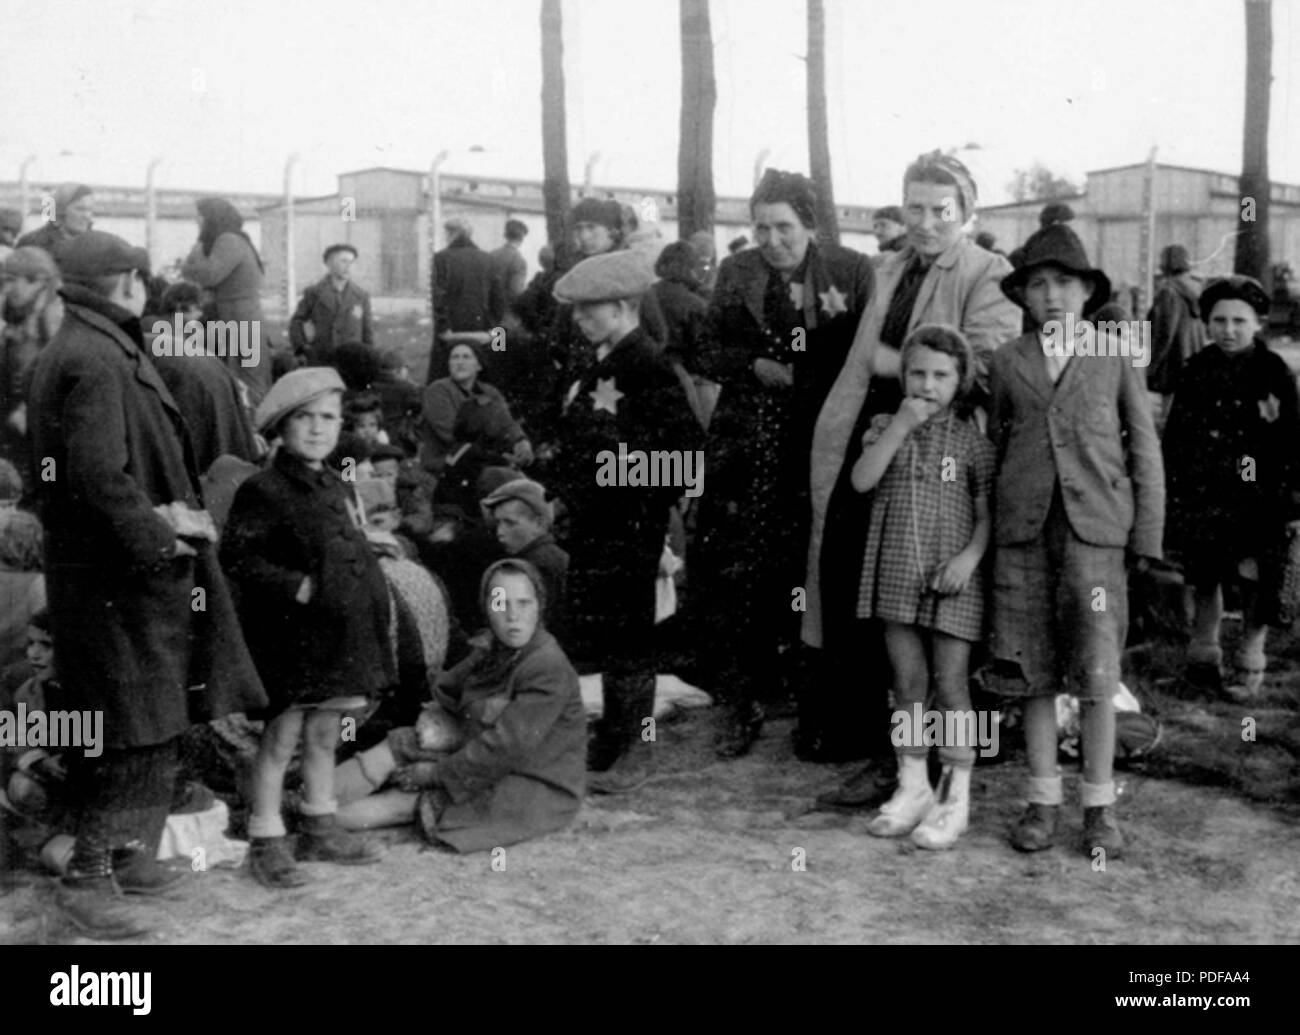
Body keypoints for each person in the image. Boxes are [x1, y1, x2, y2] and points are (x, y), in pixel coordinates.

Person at [28, 230, 266, 938]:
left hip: (109, 575)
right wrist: (164, 536)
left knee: (146, 716)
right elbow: (99, 476)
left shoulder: (82, 346)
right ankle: (89, 874)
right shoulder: (96, 356)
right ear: (126, 280)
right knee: (130, 725)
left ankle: (126, 854)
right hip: (122, 578)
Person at [809, 151, 1019, 800]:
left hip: (938, 457)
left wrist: (894, 363)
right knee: (864, 586)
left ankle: (937, 763)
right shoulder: (887, 267)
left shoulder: (989, 272)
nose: (925, 222)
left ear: (967, 214)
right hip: (871, 442)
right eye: (914, 208)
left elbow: (985, 364)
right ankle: (884, 748)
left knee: (931, 607)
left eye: (940, 211)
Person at [986, 223, 1164, 858]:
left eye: (1064, 282)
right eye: (1038, 285)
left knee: (1094, 673)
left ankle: (1098, 806)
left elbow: (1144, 446)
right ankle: (1042, 801)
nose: (1051, 295)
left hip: (1096, 538)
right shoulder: (1006, 363)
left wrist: (1145, 536)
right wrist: (991, 530)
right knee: (1032, 672)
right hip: (1023, 539)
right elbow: (997, 446)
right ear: (1024, 298)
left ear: (1088, 292)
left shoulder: (1115, 357)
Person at [690, 169, 874, 758]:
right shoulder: (736, 272)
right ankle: (742, 699)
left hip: (815, 440)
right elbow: (707, 348)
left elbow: (865, 355)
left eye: (784, 227)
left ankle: (810, 702)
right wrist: (751, 367)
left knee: (809, 568)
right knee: (743, 567)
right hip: (748, 443)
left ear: (811, 225)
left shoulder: (849, 270)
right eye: (761, 227)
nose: (772, 240)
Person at [219, 367, 394, 888]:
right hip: (291, 637)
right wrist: (293, 585)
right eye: (305, 418)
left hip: (338, 635)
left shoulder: (335, 484)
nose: (318, 429)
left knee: (324, 732)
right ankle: (267, 837)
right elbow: (238, 555)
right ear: (280, 426)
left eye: (329, 418)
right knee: (281, 737)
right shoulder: (263, 488)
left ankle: (319, 824)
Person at [549, 249, 701, 793]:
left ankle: (634, 745)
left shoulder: (649, 366)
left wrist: (609, 481)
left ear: (622, 306)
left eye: (589, 308)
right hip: (596, 525)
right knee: (610, 637)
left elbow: (685, 458)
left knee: (631, 639)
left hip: (630, 525)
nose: (578, 317)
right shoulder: (604, 361)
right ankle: (613, 735)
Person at [330, 558, 586, 852]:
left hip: (529, 779)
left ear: (540, 606)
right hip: (479, 757)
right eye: (500, 604)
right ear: (486, 609)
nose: (513, 615)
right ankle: (308, 798)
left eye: (524, 603)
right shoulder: (493, 651)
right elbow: (445, 688)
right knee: (399, 744)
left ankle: (308, 818)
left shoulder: (546, 666)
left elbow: (506, 747)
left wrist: (434, 772)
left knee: (408, 801)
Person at [851, 325, 993, 848]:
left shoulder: (975, 445)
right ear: (903, 375)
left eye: (941, 375)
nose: (928, 385)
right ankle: (914, 785)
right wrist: (899, 426)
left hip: (953, 578)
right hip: (897, 573)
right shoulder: (884, 427)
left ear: (960, 380)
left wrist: (968, 559)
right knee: (908, 683)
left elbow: (986, 516)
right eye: (918, 373)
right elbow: (862, 481)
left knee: (952, 685)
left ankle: (957, 793)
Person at [1162, 276, 1298, 702]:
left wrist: (1291, 492)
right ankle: (1204, 654)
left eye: (1239, 320)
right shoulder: (1196, 369)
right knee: (1206, 574)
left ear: (1258, 323)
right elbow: (1178, 432)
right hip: (1207, 491)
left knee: (1255, 576)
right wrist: (1176, 484)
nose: (1228, 329)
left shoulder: (1272, 371)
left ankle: (1250, 658)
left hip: (1259, 491)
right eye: (1219, 320)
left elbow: (1291, 434)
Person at [145, 282, 260, 473]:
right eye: (197, 308)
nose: (200, 314)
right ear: (181, 305)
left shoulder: (188, 331)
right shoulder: (158, 328)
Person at [419, 341, 533, 513]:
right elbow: (453, 435)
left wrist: (520, 442)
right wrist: (501, 456)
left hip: (483, 459)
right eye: (454, 357)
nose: (460, 362)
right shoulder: (438, 391)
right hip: (448, 463)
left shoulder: (489, 392)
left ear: (478, 365)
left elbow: (506, 423)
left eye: (466, 357)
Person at [180, 197, 270, 405]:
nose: (197, 221)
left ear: (211, 218)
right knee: (239, 375)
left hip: (239, 317)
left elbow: (209, 275)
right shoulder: (233, 239)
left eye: (200, 216)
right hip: (237, 315)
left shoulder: (228, 240)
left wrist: (196, 251)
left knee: (247, 378)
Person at [1, 247, 64, 472]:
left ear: (37, 281)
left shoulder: (52, 315)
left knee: (46, 478)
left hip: (40, 421)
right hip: (18, 419)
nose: (8, 289)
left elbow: (59, 370)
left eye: (12, 281)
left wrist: (29, 409)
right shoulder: (19, 314)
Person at [482, 477, 568, 634]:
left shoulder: (534, 566)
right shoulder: (552, 557)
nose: (500, 533)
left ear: (539, 524)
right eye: (498, 523)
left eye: (510, 523)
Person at [429, 217, 506, 384]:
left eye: (447, 233)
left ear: (453, 234)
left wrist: (443, 329)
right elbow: (499, 303)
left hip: (451, 333)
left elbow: (438, 298)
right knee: (484, 381)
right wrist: (495, 335)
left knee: (445, 381)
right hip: (483, 332)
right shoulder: (489, 260)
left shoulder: (440, 259)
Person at [1145, 244, 1205, 426]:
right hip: (1193, 363)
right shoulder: (1196, 290)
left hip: (1173, 365)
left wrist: (1151, 366)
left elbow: (1163, 334)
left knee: (1169, 420)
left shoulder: (1168, 292)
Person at [289, 244, 374, 367]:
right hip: (322, 359)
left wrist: (369, 357)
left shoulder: (361, 296)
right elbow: (296, 322)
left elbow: (367, 331)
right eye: (343, 261)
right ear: (329, 264)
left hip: (352, 360)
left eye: (352, 262)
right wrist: (302, 349)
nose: (348, 266)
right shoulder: (314, 293)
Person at [17, 184, 94, 261]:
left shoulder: (95, 245)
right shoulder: (33, 243)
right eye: (80, 209)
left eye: (89, 209)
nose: (87, 216)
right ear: (60, 210)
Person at [490, 219, 530, 304]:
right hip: (507, 308)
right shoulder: (518, 260)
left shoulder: (492, 254)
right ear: (522, 238)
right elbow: (516, 291)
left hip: (490, 305)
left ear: (505, 235)